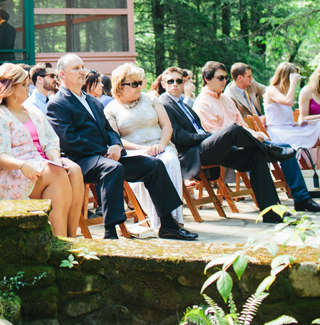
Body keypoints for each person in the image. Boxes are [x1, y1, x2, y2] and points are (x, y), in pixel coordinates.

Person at [45, 53, 196, 241]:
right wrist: (104, 152)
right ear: (62, 75)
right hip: (80, 160)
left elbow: (109, 130)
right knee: (113, 169)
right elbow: (69, 141)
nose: (82, 71)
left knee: (154, 165)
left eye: (83, 66)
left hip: (106, 156)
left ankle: (168, 225)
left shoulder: (93, 100)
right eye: (76, 68)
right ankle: (110, 233)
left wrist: (116, 145)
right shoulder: (57, 103)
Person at [159, 65, 292, 223]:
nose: (175, 84)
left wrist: (205, 135)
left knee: (256, 156)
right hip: (193, 153)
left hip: (209, 148)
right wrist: (205, 136)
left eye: (179, 81)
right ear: (163, 84)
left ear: (183, 83)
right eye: (170, 81)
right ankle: (270, 150)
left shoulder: (184, 104)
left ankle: (272, 212)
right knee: (232, 130)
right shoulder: (165, 104)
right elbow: (179, 137)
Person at [195, 61, 320, 216]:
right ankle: (269, 151)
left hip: (244, 144)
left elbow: (242, 124)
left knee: (286, 148)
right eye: (220, 78)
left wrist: (254, 134)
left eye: (225, 78)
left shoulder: (225, 99)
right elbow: (216, 135)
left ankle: (301, 199)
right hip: (224, 149)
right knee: (248, 139)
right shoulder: (202, 102)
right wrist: (251, 136)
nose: (225, 81)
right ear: (207, 79)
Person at [0, 64, 85, 237]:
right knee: (57, 174)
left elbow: (50, 142)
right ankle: (60, 239)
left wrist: (55, 160)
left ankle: (71, 237)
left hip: (42, 166)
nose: (29, 89)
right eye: (24, 85)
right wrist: (22, 165)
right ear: (10, 87)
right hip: (10, 173)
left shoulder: (32, 111)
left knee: (74, 170)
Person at [103, 64, 192, 232]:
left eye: (140, 83)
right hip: (134, 151)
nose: (139, 87)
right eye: (134, 83)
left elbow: (167, 126)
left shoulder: (151, 99)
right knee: (146, 167)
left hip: (162, 144)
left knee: (170, 161)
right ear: (120, 85)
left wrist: (162, 145)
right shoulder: (111, 109)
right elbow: (116, 139)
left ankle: (174, 219)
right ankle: (160, 222)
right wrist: (141, 149)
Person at [262, 62, 320, 185]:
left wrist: (296, 124)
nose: (296, 82)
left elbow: (285, 116)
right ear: (287, 77)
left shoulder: (284, 92)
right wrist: (293, 83)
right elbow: (288, 102)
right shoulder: (271, 90)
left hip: (290, 129)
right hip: (279, 134)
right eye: (294, 79)